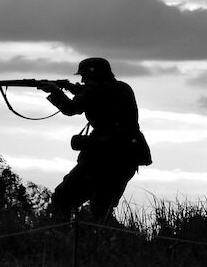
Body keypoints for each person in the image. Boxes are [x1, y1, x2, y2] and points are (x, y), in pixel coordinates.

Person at [39, 57, 151, 222]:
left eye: (84, 76)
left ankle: (60, 238)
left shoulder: (94, 91)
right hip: (129, 155)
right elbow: (101, 96)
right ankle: (110, 242)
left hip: (103, 156)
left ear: (95, 75)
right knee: (102, 208)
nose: (83, 80)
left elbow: (71, 108)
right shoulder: (123, 88)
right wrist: (72, 88)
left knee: (63, 197)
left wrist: (56, 92)